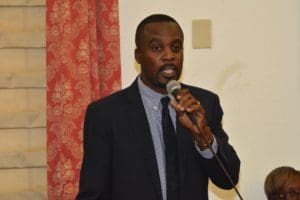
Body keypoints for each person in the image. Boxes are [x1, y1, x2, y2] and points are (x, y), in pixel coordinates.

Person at [76, 14, 240, 200]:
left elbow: (228, 179)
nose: (169, 55)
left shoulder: (203, 104)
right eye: (156, 48)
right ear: (138, 56)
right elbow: (93, 194)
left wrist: (203, 136)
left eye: (176, 48)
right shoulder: (106, 114)